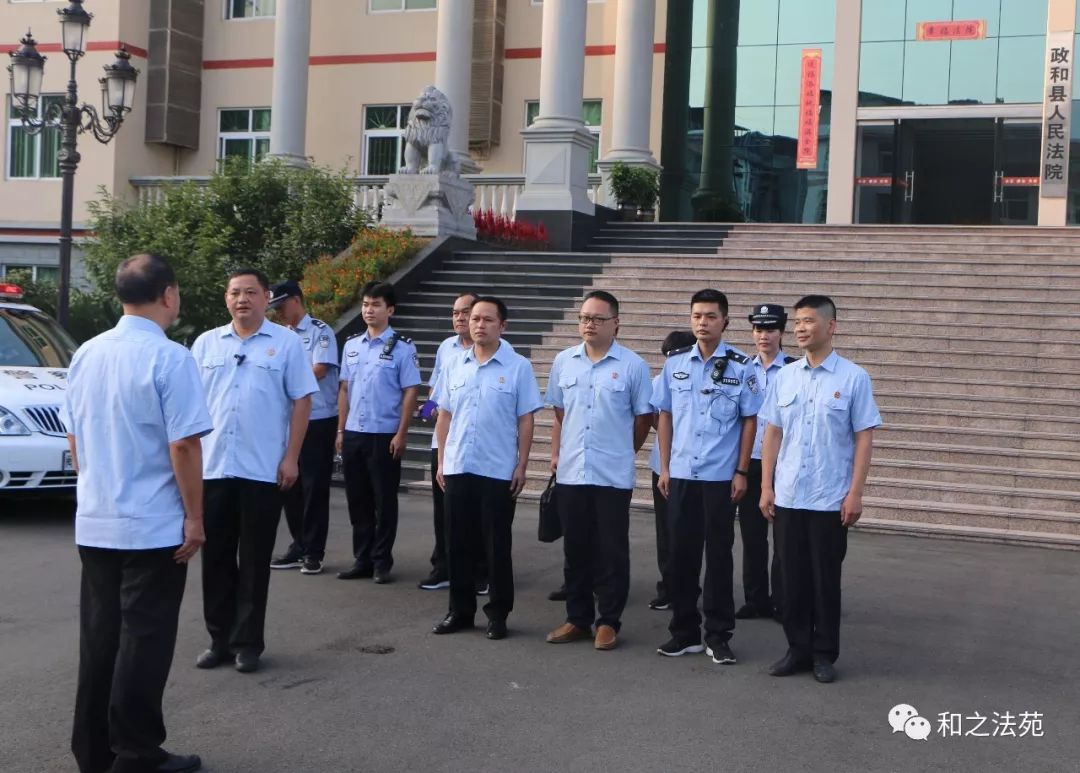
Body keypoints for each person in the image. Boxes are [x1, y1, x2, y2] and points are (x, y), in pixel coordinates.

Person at [63, 254, 212, 773]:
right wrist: (194, 517)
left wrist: (95, 484)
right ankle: (138, 752)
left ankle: (94, 749)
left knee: (100, 637)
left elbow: (75, 437)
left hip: (97, 516)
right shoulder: (170, 358)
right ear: (169, 294)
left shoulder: (86, 352)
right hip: (150, 523)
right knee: (144, 641)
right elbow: (185, 447)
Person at [191, 268, 317, 674]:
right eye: (234, 292)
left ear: (267, 297)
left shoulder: (285, 344)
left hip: (263, 469)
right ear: (225, 298)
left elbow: (302, 402)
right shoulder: (206, 344)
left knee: (255, 560)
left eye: (250, 292)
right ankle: (219, 640)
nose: (242, 299)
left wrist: (291, 457)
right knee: (216, 559)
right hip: (213, 468)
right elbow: (190, 406)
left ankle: (248, 643)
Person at [759, 295, 881, 684]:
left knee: (824, 578)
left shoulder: (853, 378)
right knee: (791, 579)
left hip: (830, 497)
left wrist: (855, 493)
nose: (799, 328)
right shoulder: (785, 376)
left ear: (831, 326)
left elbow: (864, 437)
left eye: (808, 321)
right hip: (790, 494)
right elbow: (773, 432)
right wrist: (766, 485)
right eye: (797, 322)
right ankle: (797, 649)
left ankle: (824, 654)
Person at [652, 289, 764, 665]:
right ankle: (684, 633)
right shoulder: (675, 365)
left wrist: (742, 470)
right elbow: (664, 415)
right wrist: (665, 467)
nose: (703, 322)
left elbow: (750, 420)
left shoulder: (742, 366)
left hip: (719, 476)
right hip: (682, 473)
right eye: (697, 315)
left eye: (711, 316)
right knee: (680, 557)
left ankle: (718, 635)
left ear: (725, 321)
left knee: (718, 557)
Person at [543, 291, 653, 650]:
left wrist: (622, 451)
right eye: (584, 317)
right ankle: (577, 618)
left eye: (597, 318)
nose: (589, 324)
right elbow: (560, 412)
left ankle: (608, 621)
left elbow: (643, 419)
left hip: (611, 474)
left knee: (611, 550)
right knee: (576, 549)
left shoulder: (633, 366)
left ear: (616, 323)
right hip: (573, 471)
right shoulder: (564, 361)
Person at [431, 296, 543, 640]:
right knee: (457, 543)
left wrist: (522, 464)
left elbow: (526, 419)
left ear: (502, 326)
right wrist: (441, 460)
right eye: (474, 318)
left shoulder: (517, 366)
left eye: (487, 320)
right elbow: (444, 414)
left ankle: (498, 614)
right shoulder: (455, 363)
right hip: (458, 464)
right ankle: (460, 610)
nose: (478, 325)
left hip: (497, 469)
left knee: (496, 546)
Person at [336, 280, 421, 584]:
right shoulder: (352, 345)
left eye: (376, 305)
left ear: (390, 309)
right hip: (355, 432)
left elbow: (411, 391)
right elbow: (345, 389)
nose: (369, 310)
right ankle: (362, 558)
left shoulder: (403, 347)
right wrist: (340, 429)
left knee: (384, 500)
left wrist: (402, 433)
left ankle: (381, 560)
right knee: (357, 499)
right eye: (366, 304)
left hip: (384, 434)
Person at [268, 280, 339, 576]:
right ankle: (298, 543)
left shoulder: (320, 332)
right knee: (289, 485)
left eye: (282, 305)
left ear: (296, 300)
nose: (279, 312)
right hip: (287, 420)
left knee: (314, 487)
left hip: (318, 419)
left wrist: (286, 382)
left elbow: (320, 369)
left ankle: (313, 551)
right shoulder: (279, 336)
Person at [736, 304, 797, 621]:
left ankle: (782, 599)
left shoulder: (795, 369)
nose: (764, 336)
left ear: (782, 332)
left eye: (770, 329)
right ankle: (756, 598)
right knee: (752, 534)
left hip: (784, 461)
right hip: (751, 460)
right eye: (758, 330)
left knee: (783, 536)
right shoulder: (743, 368)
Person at [417, 291, 480, 591]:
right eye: (455, 312)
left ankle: (480, 570)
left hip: (474, 446)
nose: (459, 317)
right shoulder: (446, 348)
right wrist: (426, 411)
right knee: (443, 511)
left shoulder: (498, 350)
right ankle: (443, 566)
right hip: (443, 444)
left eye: (465, 311)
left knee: (475, 513)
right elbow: (435, 394)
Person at [647, 330, 697, 612]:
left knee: (690, 532)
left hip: (695, 468)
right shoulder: (660, 380)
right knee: (665, 531)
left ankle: (689, 586)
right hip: (664, 466)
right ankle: (668, 586)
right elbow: (654, 417)